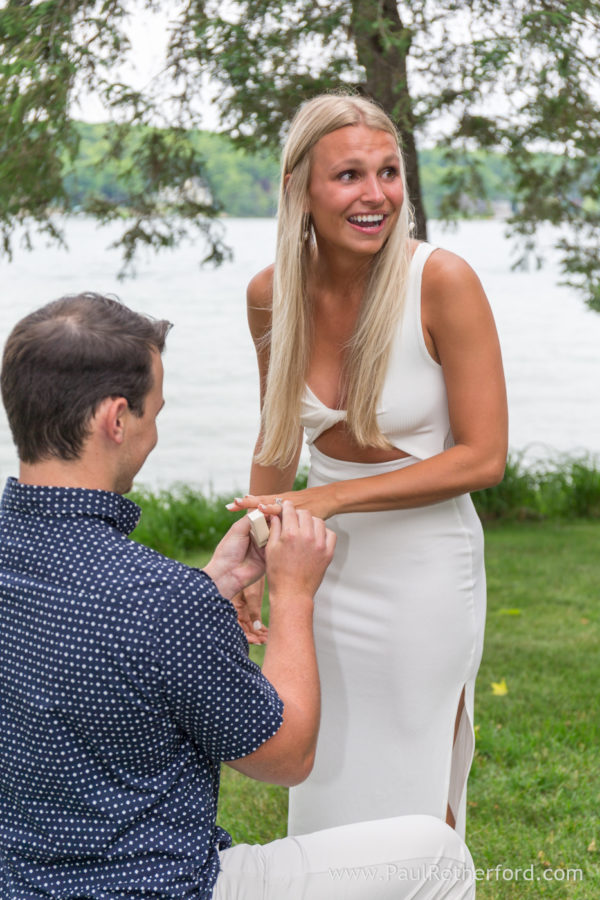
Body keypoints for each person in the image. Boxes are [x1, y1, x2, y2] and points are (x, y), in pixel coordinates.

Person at [0, 292, 477, 899]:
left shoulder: (146, 596)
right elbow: (286, 756)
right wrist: (294, 591)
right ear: (116, 421)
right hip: (161, 888)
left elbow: (88, 643)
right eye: (154, 413)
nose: (153, 433)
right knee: (437, 855)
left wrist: (209, 587)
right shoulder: (159, 601)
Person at [229, 92, 508, 839]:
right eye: (349, 175)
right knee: (326, 775)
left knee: (418, 783)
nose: (376, 195)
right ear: (302, 189)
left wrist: (329, 504)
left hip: (426, 575)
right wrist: (256, 539)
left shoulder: (442, 282)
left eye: (388, 173)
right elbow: (279, 437)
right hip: (319, 575)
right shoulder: (270, 294)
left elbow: (483, 457)